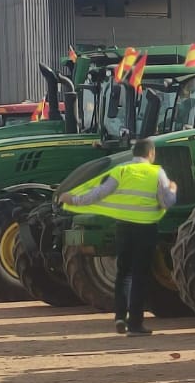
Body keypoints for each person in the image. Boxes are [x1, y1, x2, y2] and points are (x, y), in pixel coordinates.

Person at [59, 138, 177, 335]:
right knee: (140, 275)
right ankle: (135, 325)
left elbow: (98, 194)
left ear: (134, 154)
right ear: (151, 154)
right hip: (146, 228)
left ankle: (120, 317)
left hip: (124, 227)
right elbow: (166, 202)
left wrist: (74, 200)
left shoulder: (121, 171)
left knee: (124, 273)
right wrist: (173, 189)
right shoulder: (157, 172)